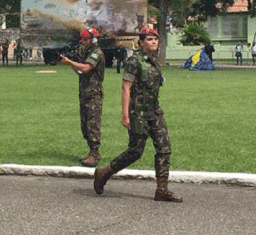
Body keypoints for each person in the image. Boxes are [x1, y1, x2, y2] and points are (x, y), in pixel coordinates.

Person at [94, 27, 182, 203]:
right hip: (139, 113)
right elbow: (126, 87)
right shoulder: (134, 61)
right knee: (135, 151)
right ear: (141, 42)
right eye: (149, 39)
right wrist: (125, 115)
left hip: (154, 111)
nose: (154, 42)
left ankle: (161, 190)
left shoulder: (154, 62)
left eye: (155, 39)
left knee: (164, 149)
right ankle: (104, 172)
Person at [59, 28, 104, 167]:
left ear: (93, 40)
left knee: (92, 124)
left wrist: (70, 62)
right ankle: (91, 152)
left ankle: (95, 154)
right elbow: (79, 71)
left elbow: (85, 68)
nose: (82, 42)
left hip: (93, 94)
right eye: (81, 39)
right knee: (85, 124)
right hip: (84, 92)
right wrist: (71, 61)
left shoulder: (96, 53)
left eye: (85, 39)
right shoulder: (85, 52)